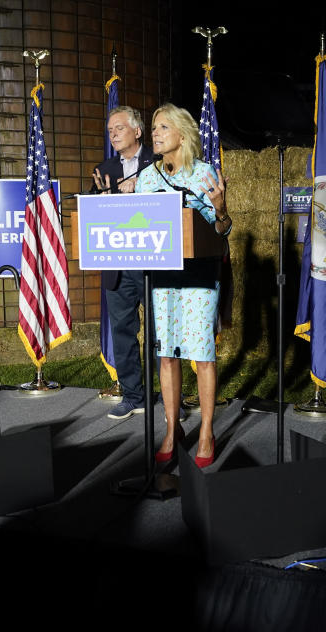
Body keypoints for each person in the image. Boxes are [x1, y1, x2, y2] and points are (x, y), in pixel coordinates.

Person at [135, 103, 231, 467]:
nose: (155, 133)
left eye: (161, 127)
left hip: (200, 278)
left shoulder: (205, 173)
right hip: (163, 279)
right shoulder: (147, 177)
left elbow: (222, 232)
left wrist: (220, 210)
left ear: (182, 134)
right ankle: (172, 429)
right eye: (153, 128)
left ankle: (206, 430)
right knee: (167, 353)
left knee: (202, 353)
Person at [91, 106, 155, 420]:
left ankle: (166, 396)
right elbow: (90, 214)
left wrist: (141, 188)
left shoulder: (158, 163)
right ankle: (133, 396)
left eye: (118, 128)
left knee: (161, 334)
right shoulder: (103, 169)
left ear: (137, 131)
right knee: (123, 334)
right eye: (110, 130)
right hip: (117, 268)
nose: (112, 134)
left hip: (154, 265)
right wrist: (103, 197)